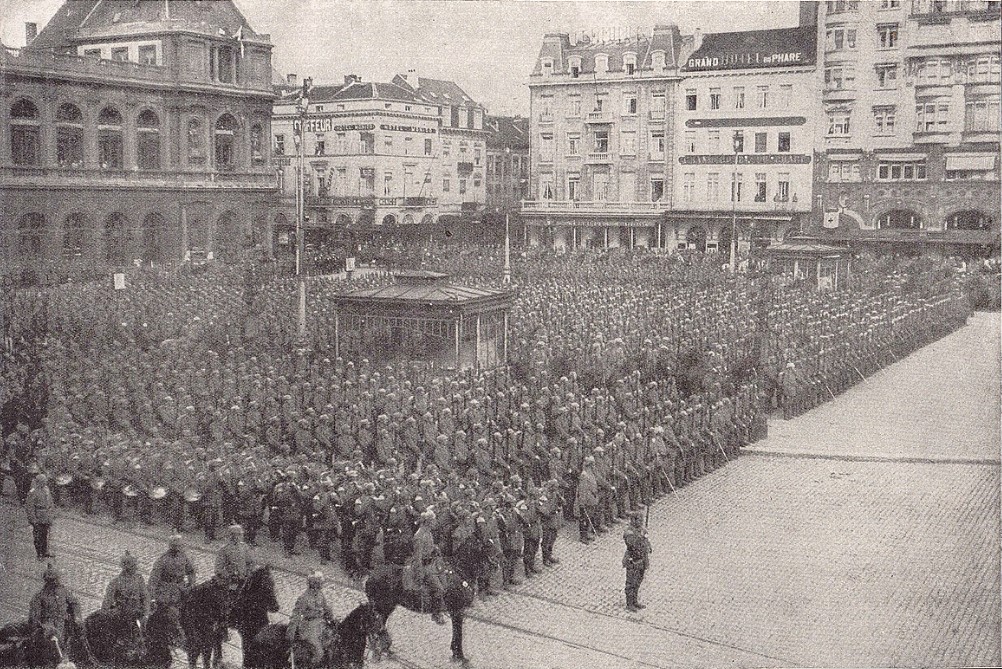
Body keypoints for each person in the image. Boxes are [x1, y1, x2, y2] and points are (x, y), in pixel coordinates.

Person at [148, 535, 195, 642]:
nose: (177, 548)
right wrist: (152, 597)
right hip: (165, 590)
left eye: (179, 546)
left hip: (180, 588)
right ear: (170, 546)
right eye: (175, 546)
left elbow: (191, 571)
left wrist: (191, 584)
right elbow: (153, 579)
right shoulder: (162, 560)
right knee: (165, 612)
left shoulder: (184, 557)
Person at [28, 563, 81, 658]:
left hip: (64, 625)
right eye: (51, 581)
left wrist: (77, 617)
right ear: (46, 581)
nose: (54, 583)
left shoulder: (64, 592)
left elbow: (75, 603)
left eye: (55, 580)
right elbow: (34, 617)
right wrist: (43, 628)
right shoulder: (39, 597)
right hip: (49, 628)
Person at [286, 571, 334, 666]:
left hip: (321, 624)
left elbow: (326, 607)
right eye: (318, 583)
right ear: (313, 584)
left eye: (321, 583)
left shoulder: (320, 594)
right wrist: (290, 633)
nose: (320, 586)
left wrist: (331, 617)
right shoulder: (304, 598)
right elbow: (296, 615)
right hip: (308, 627)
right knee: (319, 652)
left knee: (332, 642)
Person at [103, 551, 151, 643]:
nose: (136, 568)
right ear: (127, 568)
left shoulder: (139, 579)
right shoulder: (115, 582)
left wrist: (146, 613)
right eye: (134, 566)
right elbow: (107, 601)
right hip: (121, 614)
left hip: (137, 612)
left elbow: (145, 597)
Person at [411, 509, 447, 624]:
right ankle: (436, 613)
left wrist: (434, 548)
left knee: (445, 580)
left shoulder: (428, 532)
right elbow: (417, 557)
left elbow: (429, 547)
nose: (435, 522)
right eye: (433, 520)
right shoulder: (419, 535)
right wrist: (419, 573)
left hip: (432, 563)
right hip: (424, 566)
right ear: (427, 522)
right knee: (439, 588)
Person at [622, 511, 652, 612]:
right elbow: (632, 544)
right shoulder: (629, 532)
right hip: (633, 560)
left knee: (638, 581)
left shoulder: (641, 530)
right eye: (640, 520)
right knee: (631, 582)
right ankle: (629, 603)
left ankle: (635, 601)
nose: (642, 522)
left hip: (642, 559)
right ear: (633, 520)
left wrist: (648, 545)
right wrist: (641, 536)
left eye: (642, 520)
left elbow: (646, 541)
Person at [24, 473, 55, 559]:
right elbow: (29, 507)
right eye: (44, 481)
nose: (46, 483)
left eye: (46, 481)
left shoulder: (47, 490)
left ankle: (45, 552)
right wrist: (33, 519)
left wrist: (51, 516)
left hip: (46, 516)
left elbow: (50, 503)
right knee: (38, 537)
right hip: (38, 517)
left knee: (45, 535)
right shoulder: (33, 492)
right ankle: (39, 554)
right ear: (39, 482)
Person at [215, 523, 253, 593]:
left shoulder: (244, 547)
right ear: (231, 535)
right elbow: (218, 569)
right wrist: (230, 576)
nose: (240, 536)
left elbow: (250, 562)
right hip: (230, 582)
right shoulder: (224, 549)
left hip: (244, 579)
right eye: (237, 534)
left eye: (240, 534)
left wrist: (248, 572)